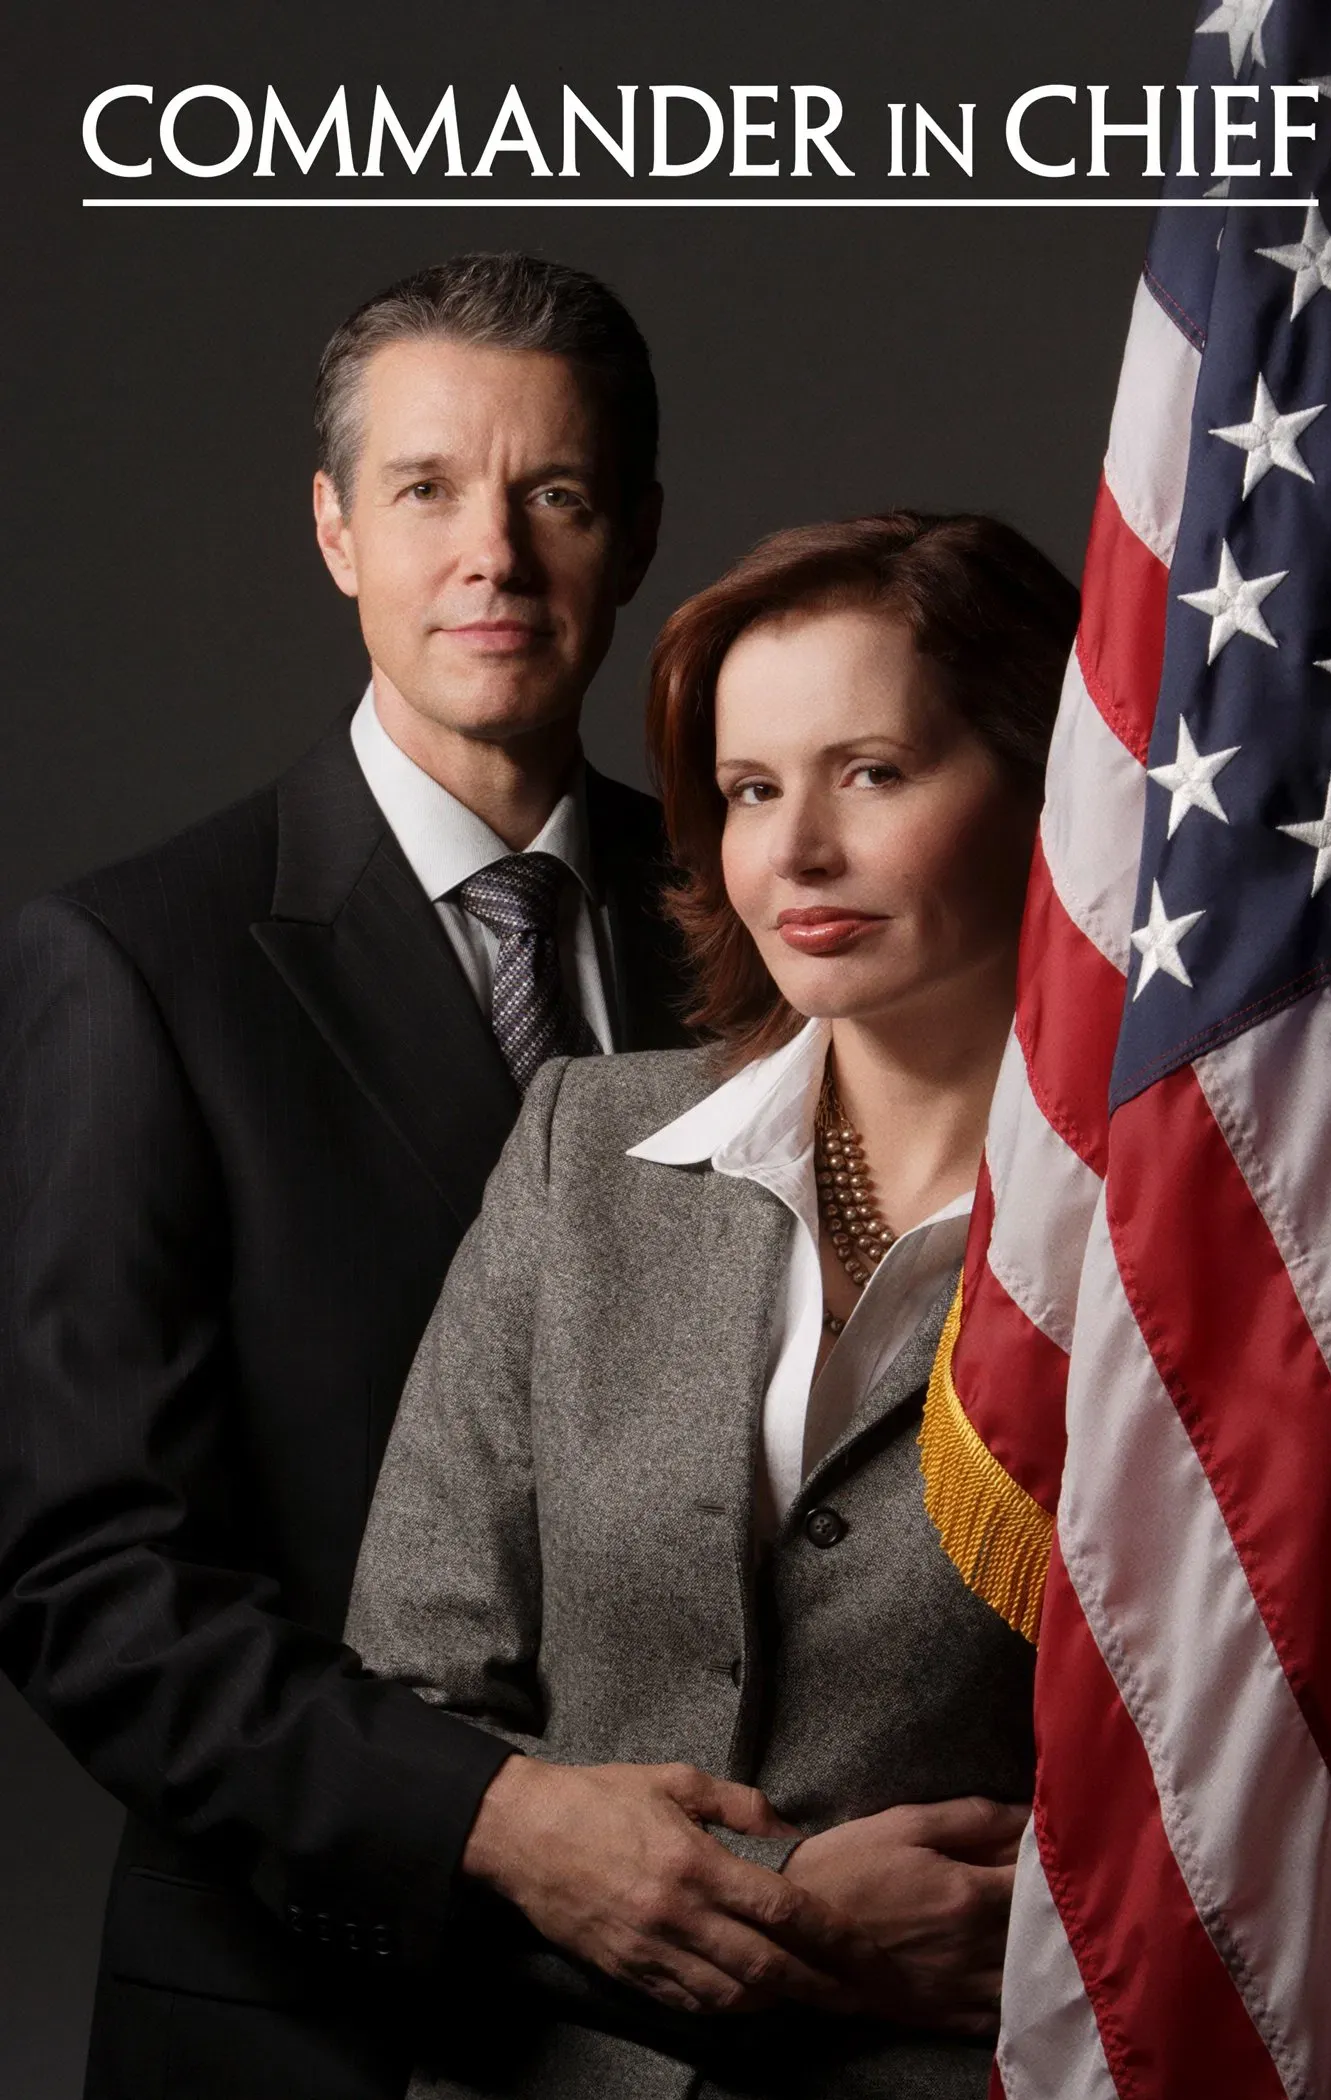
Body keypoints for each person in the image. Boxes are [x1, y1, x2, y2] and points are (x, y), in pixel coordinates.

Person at [0, 253, 853, 2100]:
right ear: (335, 532)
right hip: (319, 2016)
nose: (494, 555)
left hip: (732, 2004)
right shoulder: (135, 965)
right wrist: (497, 1819)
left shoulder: (765, 923)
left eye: (556, 493)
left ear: (637, 533)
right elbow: (93, 1580)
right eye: (425, 489)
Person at [348, 510, 1081, 2097]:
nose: (794, 852)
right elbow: (409, 1708)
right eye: (750, 790)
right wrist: (791, 1910)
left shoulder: (1188, 1244)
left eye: (870, 772)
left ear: (1047, 784)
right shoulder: (585, 1150)